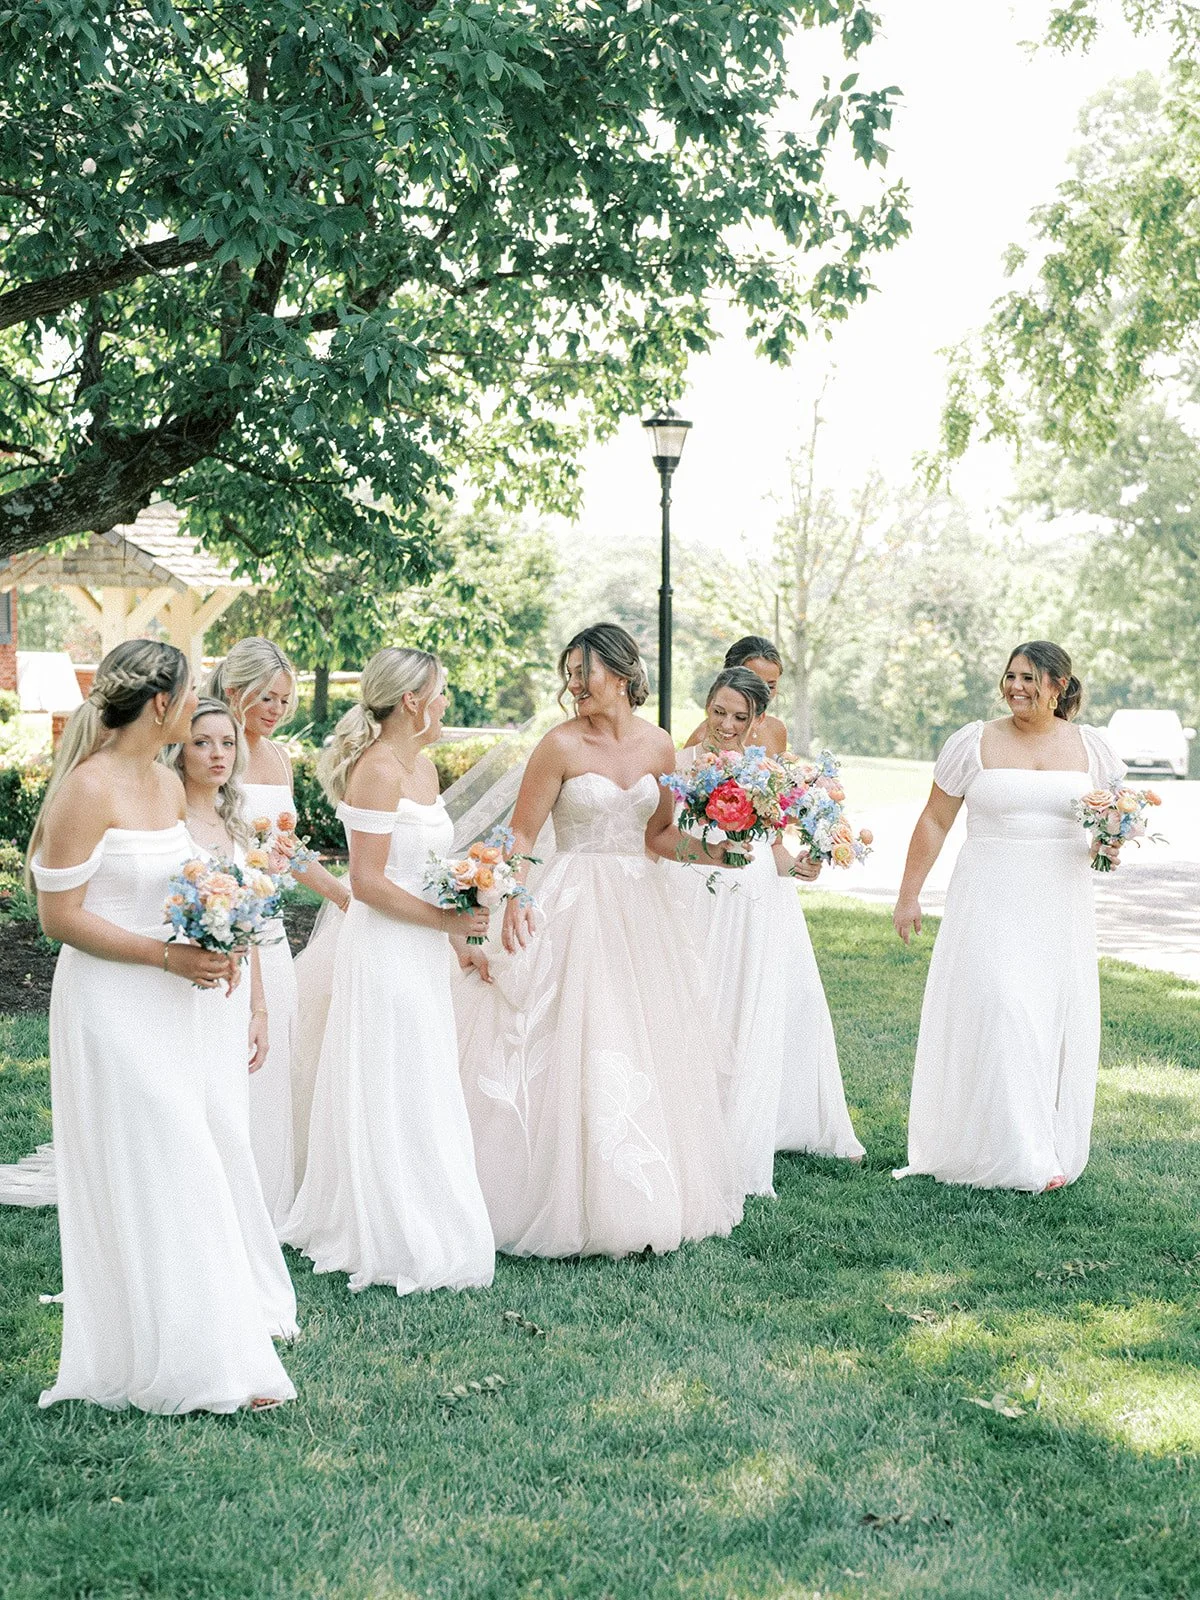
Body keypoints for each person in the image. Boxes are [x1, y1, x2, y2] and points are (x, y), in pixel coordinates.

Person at [28, 641, 294, 1413]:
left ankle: (212, 1356)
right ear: (158, 707)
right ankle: (178, 1366)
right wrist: (164, 957)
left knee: (194, 1168)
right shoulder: (87, 788)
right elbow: (58, 919)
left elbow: (190, 882)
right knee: (161, 1166)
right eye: (186, 699)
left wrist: (223, 934)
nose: (196, 707)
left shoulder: (164, 783)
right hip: (112, 1004)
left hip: (178, 1004)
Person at [455, 623, 745, 1259]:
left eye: (582, 671)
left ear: (620, 674)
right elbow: (524, 836)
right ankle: (553, 1190)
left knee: (643, 1034)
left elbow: (658, 837)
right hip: (570, 901)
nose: (573, 685)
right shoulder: (558, 746)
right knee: (569, 1035)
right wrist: (516, 896)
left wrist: (719, 854)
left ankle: (645, 1191)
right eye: (569, 673)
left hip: (641, 907)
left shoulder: (661, 746)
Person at [282, 648, 495, 1295]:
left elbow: (430, 870)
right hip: (384, 947)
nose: (446, 700)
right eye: (440, 690)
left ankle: (431, 1208)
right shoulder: (376, 771)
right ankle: (384, 1222)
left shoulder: (422, 767)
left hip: (425, 947)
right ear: (412, 700)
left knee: (425, 1071)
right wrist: (445, 923)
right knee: (391, 1072)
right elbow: (368, 883)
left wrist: (461, 936)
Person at [892, 641, 1126, 1192]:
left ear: (1059, 687)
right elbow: (933, 821)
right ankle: (1019, 1154)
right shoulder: (973, 741)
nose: (1016, 687)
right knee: (1003, 1007)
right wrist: (909, 896)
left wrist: (1110, 846)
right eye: (1011, 676)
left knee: (1046, 1018)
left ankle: (1041, 1142)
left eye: (1030, 679)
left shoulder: (1092, 748)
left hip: (1058, 902)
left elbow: (1110, 826)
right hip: (990, 897)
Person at [675, 670, 863, 1195]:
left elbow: (773, 842)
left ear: (757, 721)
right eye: (719, 712)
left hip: (752, 890)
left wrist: (800, 864)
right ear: (706, 707)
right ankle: (691, 1117)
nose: (727, 725)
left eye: (740, 717)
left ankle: (741, 1125)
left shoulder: (767, 775)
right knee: (695, 997)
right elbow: (660, 833)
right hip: (694, 885)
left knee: (744, 1004)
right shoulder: (681, 766)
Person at [206, 638, 349, 1221]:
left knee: (275, 1043)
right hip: (217, 911)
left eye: (285, 701)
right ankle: (221, 1191)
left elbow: (281, 847)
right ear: (234, 690)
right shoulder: (209, 750)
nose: (275, 710)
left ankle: (268, 1194)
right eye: (267, 697)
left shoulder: (280, 758)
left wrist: (343, 893)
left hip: (266, 920)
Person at [171, 698, 299, 1339]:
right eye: (202, 742)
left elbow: (250, 923)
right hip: (172, 995)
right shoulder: (165, 818)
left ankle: (233, 1270)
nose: (218, 754)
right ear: (179, 749)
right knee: (186, 1130)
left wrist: (259, 1006)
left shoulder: (235, 823)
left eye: (226, 742)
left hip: (229, 999)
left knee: (228, 1129)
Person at [685, 636, 788, 756]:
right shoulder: (702, 739)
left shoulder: (776, 729)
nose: (762, 694)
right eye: (751, 684)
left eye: (770, 687)